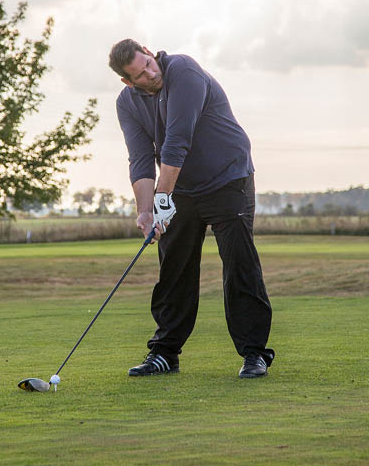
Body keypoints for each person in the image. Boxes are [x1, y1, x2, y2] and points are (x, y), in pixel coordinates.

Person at [108, 39, 274, 379]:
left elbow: (177, 140)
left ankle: (254, 353)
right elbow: (140, 158)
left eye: (148, 64)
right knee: (174, 268)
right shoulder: (127, 103)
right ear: (128, 81)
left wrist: (162, 199)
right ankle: (165, 353)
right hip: (181, 188)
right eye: (140, 74)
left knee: (239, 264)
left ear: (150, 52)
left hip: (228, 178)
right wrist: (146, 212)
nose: (150, 74)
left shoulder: (183, 70)